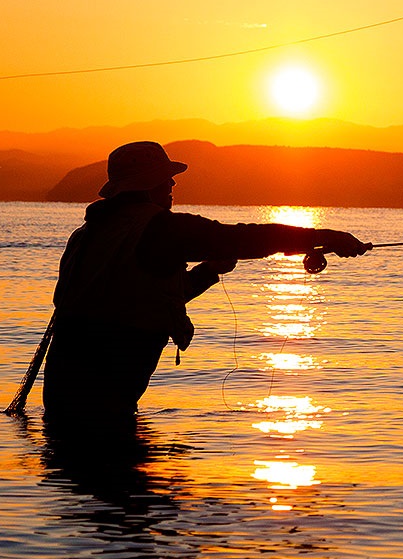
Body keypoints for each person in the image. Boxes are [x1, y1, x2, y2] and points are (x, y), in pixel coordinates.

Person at [43, 140, 368, 426]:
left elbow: (142, 298)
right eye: (164, 177)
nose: (171, 182)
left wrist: (209, 272)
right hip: (103, 402)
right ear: (147, 185)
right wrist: (327, 237)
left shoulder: (88, 235)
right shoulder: (161, 229)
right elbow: (242, 237)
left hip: (65, 394)